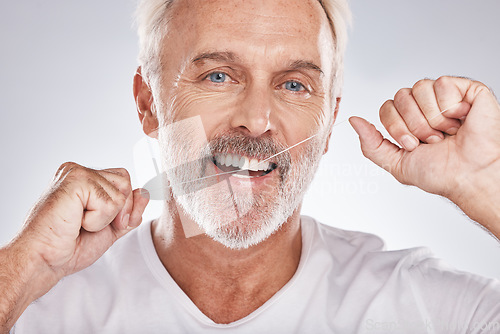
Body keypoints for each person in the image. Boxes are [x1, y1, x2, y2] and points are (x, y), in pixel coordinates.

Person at [1, 0, 500, 332]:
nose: (258, 121)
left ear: (327, 122)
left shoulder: (424, 310)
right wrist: (25, 267)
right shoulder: (36, 303)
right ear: (149, 105)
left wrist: (487, 189)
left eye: (293, 85)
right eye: (219, 75)